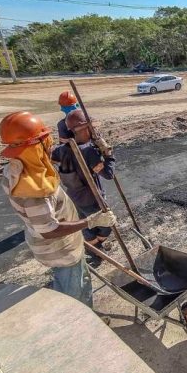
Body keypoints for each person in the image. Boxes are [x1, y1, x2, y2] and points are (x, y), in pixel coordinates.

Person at [0, 111, 117, 307]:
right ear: (35, 146)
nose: (49, 144)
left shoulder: (19, 169)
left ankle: (93, 246)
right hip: (59, 248)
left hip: (72, 208)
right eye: (44, 141)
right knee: (74, 291)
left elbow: (56, 159)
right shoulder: (33, 189)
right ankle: (80, 322)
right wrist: (108, 155)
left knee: (74, 278)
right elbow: (48, 230)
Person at [51, 109, 115, 265]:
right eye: (90, 127)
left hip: (73, 197)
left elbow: (52, 158)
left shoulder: (61, 150)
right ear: (82, 129)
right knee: (107, 224)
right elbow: (108, 174)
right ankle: (97, 247)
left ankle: (94, 248)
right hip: (93, 199)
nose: (94, 130)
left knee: (85, 225)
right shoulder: (88, 151)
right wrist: (108, 155)